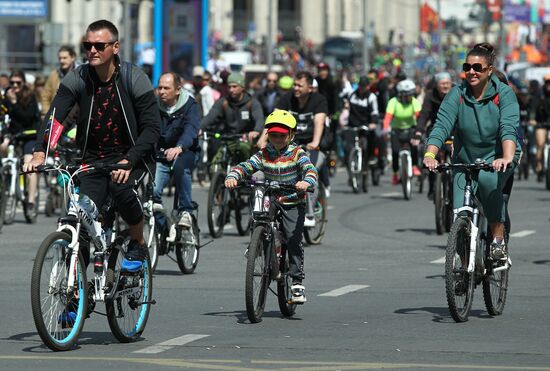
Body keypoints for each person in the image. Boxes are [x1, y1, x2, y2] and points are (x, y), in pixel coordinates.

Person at [25, 20, 160, 273]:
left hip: (131, 156)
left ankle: (139, 243)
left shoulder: (134, 77)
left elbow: (152, 128)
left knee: (121, 189)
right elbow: (56, 115)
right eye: (88, 45)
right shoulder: (78, 77)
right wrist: (41, 150)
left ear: (116, 47)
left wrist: (129, 160)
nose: (93, 50)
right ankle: (76, 297)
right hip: (93, 158)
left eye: (100, 45)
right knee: (79, 219)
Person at [423, 42, 520, 261]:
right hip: (465, 158)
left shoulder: (503, 94)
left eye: (477, 67)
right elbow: (442, 125)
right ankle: (462, 267)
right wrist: (431, 153)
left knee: (488, 183)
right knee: (459, 211)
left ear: (489, 70)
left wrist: (505, 157)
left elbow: (508, 128)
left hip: (497, 156)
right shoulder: (456, 94)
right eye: (467, 67)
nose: (471, 72)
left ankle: (497, 240)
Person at [224, 109, 318, 304]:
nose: (277, 138)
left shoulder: (297, 153)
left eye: (282, 135)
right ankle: (258, 244)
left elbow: (310, 169)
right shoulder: (265, 153)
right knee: (259, 214)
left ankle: (297, 282)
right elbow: (247, 165)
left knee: (293, 238)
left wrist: (306, 182)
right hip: (272, 197)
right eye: (273, 134)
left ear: (291, 135)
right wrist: (233, 176)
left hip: (292, 200)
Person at [260, 70, 329, 205]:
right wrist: (263, 139)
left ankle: (310, 211)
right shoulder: (287, 98)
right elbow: (273, 119)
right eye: (295, 85)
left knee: (310, 170)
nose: (296, 88)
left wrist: (315, 142)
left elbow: (319, 122)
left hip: (311, 145)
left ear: (309, 88)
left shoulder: (319, 100)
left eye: (299, 86)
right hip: (289, 144)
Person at [154, 72, 200, 240]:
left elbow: (191, 128)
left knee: (181, 166)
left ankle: (186, 211)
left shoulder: (190, 105)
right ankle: (162, 227)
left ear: (178, 90)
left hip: (186, 150)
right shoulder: (154, 104)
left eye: (167, 88)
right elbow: (147, 127)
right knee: (153, 193)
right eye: (160, 88)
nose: (162, 91)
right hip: (161, 152)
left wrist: (179, 147)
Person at [201, 72, 264, 168]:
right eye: (229, 87)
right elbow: (210, 117)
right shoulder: (223, 102)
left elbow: (259, 118)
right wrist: (199, 128)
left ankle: (246, 173)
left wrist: (256, 131)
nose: (231, 90)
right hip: (227, 138)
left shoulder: (252, 103)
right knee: (214, 166)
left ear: (242, 87)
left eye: (234, 86)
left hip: (246, 139)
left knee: (244, 151)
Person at [3, 70, 41, 217]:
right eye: (12, 83)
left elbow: (26, 118)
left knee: (28, 165)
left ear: (23, 83)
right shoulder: (6, 96)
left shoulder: (29, 96)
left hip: (29, 135)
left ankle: (31, 201)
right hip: (13, 136)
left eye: (18, 83)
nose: (15, 85)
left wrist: (13, 103)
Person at [417, 71, 453, 198]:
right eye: (442, 83)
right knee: (433, 157)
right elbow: (424, 114)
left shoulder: (456, 93)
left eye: (448, 83)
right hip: (435, 129)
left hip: (454, 130)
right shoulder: (430, 95)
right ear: (437, 85)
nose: (445, 86)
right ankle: (433, 185)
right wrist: (419, 130)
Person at [383, 79, 422, 185]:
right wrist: (385, 129)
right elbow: (387, 118)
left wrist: (420, 129)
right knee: (395, 152)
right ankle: (395, 173)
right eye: (407, 95)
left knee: (414, 146)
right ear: (401, 94)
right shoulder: (393, 102)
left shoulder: (414, 101)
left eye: (411, 94)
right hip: (396, 130)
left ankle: (414, 166)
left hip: (410, 128)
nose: (410, 97)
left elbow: (419, 117)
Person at [341, 75, 380, 182]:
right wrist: (344, 104)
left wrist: (373, 123)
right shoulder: (352, 94)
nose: (362, 88)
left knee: (368, 144)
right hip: (352, 125)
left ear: (368, 86)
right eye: (360, 86)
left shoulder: (371, 97)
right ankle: (350, 171)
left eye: (364, 86)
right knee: (347, 148)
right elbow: (341, 97)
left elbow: (375, 113)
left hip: (366, 126)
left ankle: (370, 160)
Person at [41, 45, 77, 118]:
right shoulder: (54, 75)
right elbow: (45, 96)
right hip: (56, 117)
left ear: (72, 57)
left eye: (65, 58)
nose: (61, 61)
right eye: (60, 58)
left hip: (75, 117)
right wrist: (46, 114)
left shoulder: (80, 74)